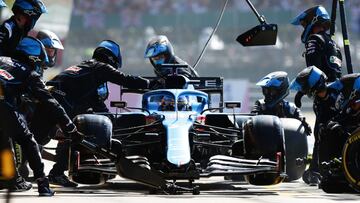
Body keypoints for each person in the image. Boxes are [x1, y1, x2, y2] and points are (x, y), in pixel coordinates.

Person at [29, 40, 153, 187]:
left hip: (46, 99)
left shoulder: (85, 68)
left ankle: (22, 173)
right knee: (72, 135)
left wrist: (110, 121)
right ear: (111, 59)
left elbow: (97, 105)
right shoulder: (100, 67)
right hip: (58, 103)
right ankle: (55, 174)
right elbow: (126, 80)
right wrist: (152, 84)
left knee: (30, 141)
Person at [0, 37, 83, 196]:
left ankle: (13, 179)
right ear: (33, 59)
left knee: (3, 136)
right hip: (3, 103)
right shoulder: (28, 73)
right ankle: (43, 185)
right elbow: (52, 104)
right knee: (28, 141)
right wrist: (70, 128)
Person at [291, 5, 343, 185]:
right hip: (337, 93)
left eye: (304, 23)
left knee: (322, 131)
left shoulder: (314, 39)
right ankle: (329, 167)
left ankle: (317, 171)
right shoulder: (333, 43)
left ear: (313, 21)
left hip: (324, 93)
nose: (303, 27)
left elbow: (313, 71)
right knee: (331, 131)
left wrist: (301, 91)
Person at [17, 29, 65, 181]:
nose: (51, 54)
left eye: (52, 51)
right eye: (49, 50)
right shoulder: (29, 67)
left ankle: (22, 160)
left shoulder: (40, 70)